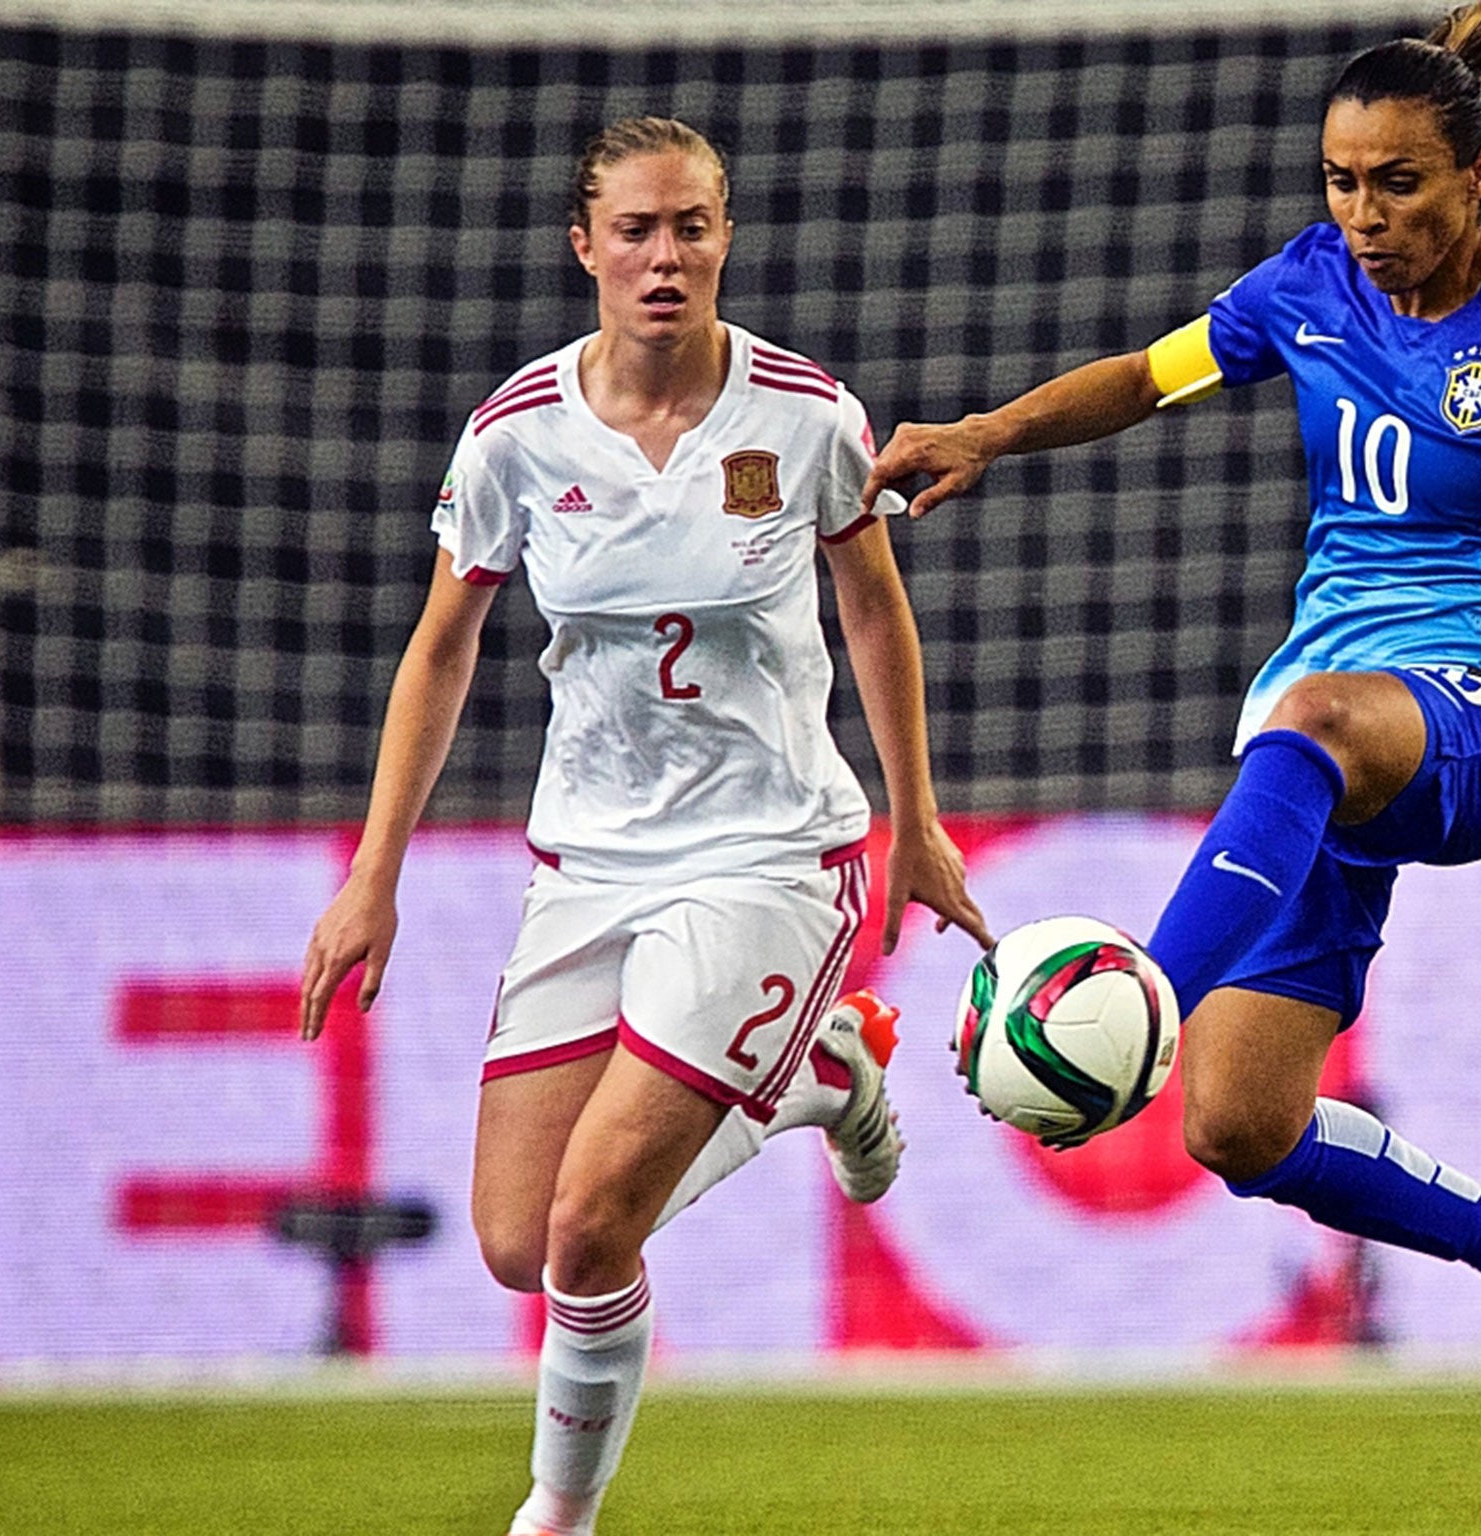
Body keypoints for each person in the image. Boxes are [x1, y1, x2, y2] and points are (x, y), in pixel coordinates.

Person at [864, 0, 1481, 1450]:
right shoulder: (1311, 284)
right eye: (1342, 180)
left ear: (1477, 178)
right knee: (1238, 1127)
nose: (1365, 215)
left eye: (1399, 184)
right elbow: (1146, 376)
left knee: (1304, 717)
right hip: (1331, 753)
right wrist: (987, 432)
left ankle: (1137, 993)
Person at [298, 115, 990, 1536]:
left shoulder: (805, 416)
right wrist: (376, 874)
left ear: (725, 236)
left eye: (691, 227)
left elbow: (874, 611)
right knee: (515, 1243)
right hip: (590, 861)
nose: (664, 256)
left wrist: (914, 821)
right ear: (586, 246)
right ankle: (826, 1074)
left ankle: (555, 1518)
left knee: (592, 1225)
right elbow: (440, 651)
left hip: (770, 856)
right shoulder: (514, 436)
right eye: (636, 230)